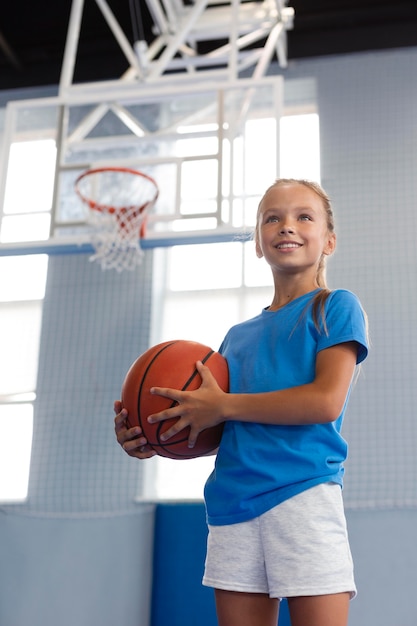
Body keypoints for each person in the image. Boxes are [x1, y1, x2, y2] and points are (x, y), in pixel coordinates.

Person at [114, 178, 369, 626]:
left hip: (302, 497)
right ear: (258, 242)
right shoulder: (236, 338)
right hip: (232, 505)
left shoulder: (334, 307)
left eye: (303, 216)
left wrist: (225, 406)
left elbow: (324, 402)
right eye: (272, 218)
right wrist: (155, 435)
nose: (286, 225)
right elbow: (227, 429)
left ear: (328, 240)